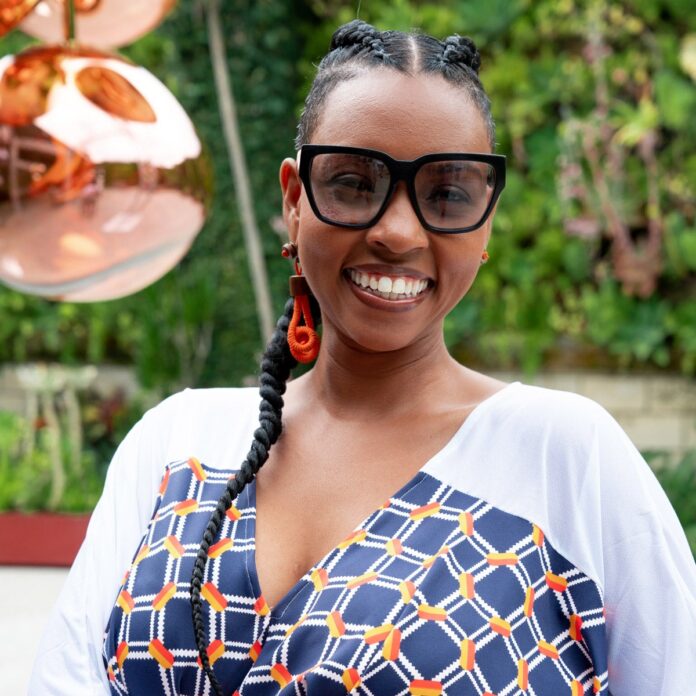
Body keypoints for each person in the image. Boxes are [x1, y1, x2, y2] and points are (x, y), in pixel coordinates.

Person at [29, 19, 696, 696]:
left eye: (447, 194)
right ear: (294, 201)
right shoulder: (174, 446)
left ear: (485, 221)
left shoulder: (565, 459)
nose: (398, 231)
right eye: (353, 183)